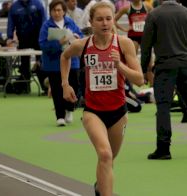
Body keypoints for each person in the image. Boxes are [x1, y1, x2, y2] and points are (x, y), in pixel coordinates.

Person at [60, 2, 144, 195]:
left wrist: (119, 65)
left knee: (108, 160)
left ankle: (100, 187)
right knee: (105, 155)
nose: (105, 23)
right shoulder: (83, 45)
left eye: (108, 19)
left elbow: (139, 80)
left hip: (118, 113)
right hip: (93, 111)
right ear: (91, 22)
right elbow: (64, 57)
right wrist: (65, 84)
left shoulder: (124, 44)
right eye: (100, 19)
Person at [141, 0, 187, 159]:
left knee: (163, 107)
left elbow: (146, 46)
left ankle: (163, 148)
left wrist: (143, 69)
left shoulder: (154, 14)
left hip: (165, 65)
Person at [39, 0, 83, 126]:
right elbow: (42, 44)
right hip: (53, 63)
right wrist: (59, 43)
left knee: (73, 85)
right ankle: (60, 116)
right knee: (57, 89)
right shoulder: (46, 26)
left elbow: (79, 35)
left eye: (59, 10)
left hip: (72, 62)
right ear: (50, 11)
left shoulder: (71, 23)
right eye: (54, 10)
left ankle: (70, 109)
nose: (57, 13)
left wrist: (76, 38)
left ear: (64, 11)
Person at [7, 0, 46, 93]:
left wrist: (44, 35)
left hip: (38, 36)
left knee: (40, 62)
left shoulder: (38, 4)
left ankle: (45, 87)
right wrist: (9, 37)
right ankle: (25, 87)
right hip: (23, 37)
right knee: (24, 63)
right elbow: (10, 23)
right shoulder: (14, 7)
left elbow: (44, 20)